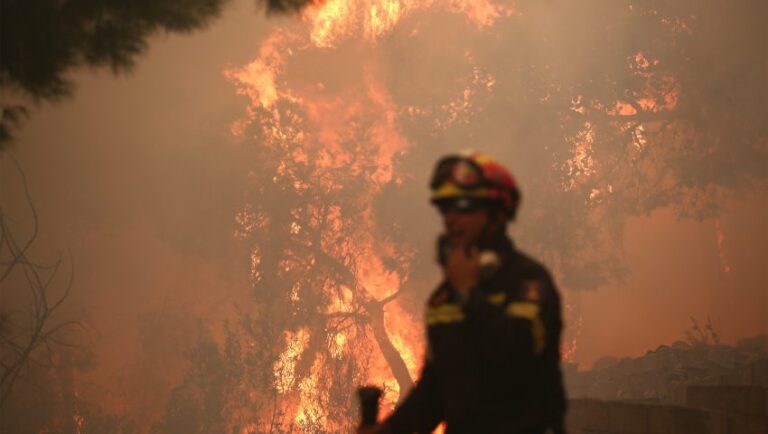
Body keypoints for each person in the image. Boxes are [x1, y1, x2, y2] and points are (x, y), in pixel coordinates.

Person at [360, 152, 566, 434]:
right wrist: (388, 431)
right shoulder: (444, 299)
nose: (451, 218)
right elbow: (434, 393)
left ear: (496, 214)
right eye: (446, 209)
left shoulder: (527, 282)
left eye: (464, 206)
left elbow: (516, 354)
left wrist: (468, 295)